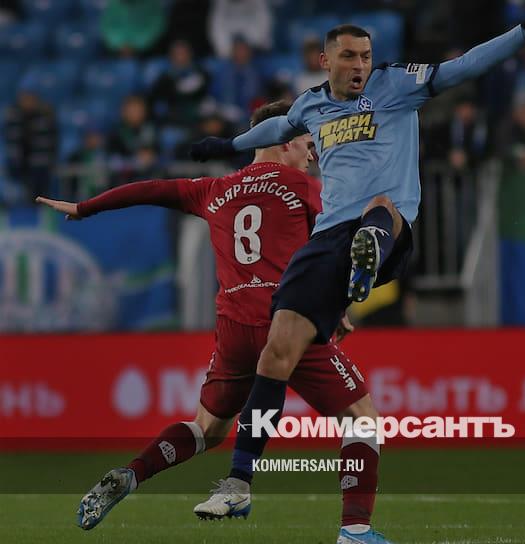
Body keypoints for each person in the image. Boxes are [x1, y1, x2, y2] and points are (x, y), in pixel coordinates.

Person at [187, 3, 525, 542]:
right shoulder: (312, 105)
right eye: (349, 56)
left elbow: (465, 66)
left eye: (366, 56)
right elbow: (279, 125)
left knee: (382, 206)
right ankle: (239, 484)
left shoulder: (397, 85)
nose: (360, 65)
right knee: (275, 355)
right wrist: (230, 146)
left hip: (387, 230)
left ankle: (367, 256)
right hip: (326, 243)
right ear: (325, 61)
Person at [34, 101, 363, 533]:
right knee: (361, 420)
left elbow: (150, 189)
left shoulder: (213, 189)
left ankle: (133, 472)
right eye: (305, 142)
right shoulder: (303, 185)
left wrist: (85, 207)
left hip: (233, 328)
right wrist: (339, 306)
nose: (311, 152)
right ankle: (355, 530)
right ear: (283, 141)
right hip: (287, 319)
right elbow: (334, 247)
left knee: (207, 428)